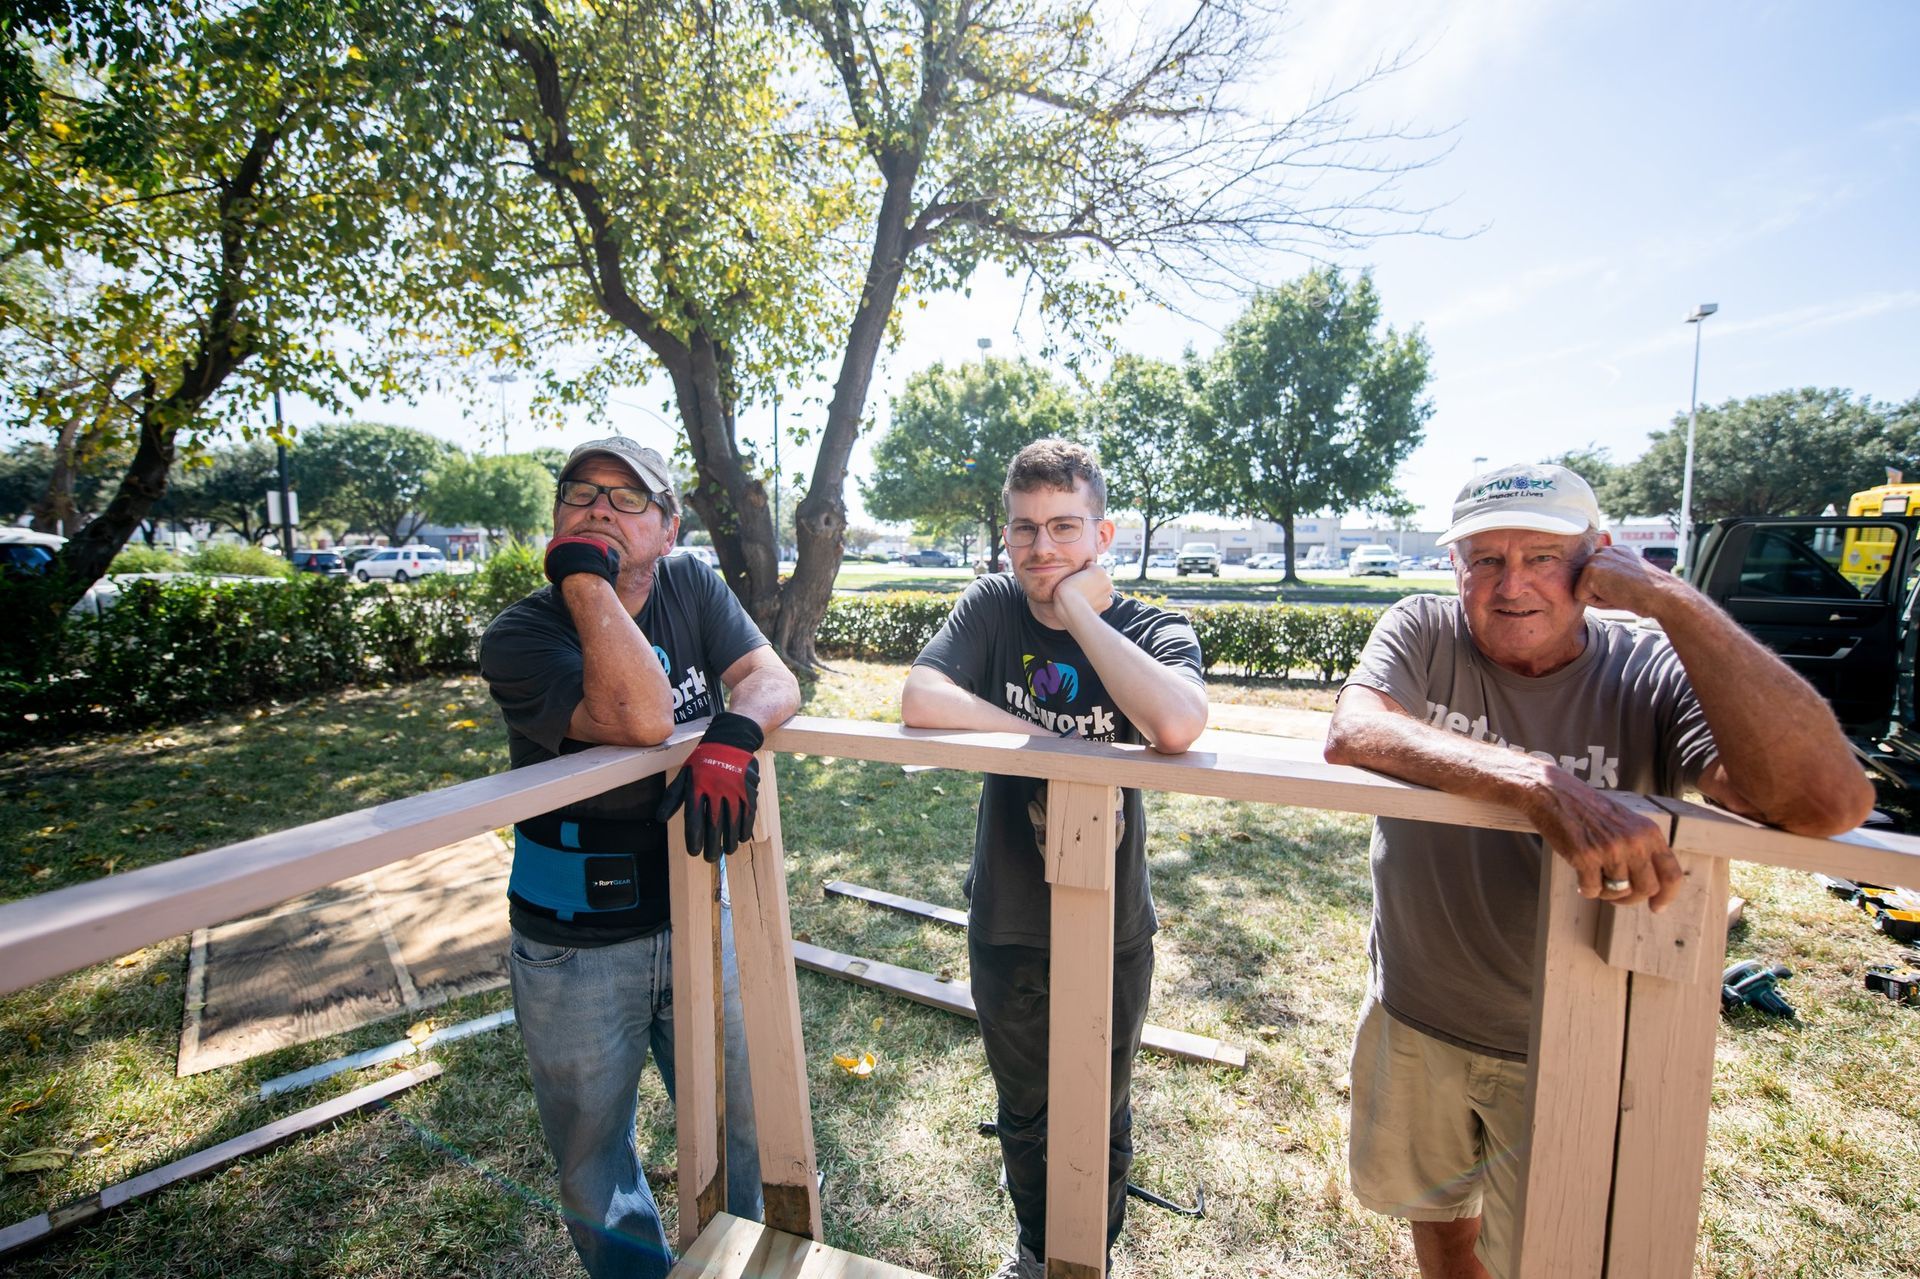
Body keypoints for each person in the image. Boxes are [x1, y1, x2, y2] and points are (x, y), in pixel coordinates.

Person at [1323, 463, 1873, 1279]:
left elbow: (1827, 801)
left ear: (1599, 560)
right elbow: (1355, 729)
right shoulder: (1426, 631)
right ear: (1455, 568)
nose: (1512, 585)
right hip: (1415, 1011)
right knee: (1438, 1218)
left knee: (1555, 1254)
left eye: (1543, 557)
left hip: (1574, 1040)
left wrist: (1672, 601)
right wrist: (1537, 782)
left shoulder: (1648, 667)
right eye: (1485, 559)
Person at [479, 436, 800, 1279]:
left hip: (699, 909)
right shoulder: (520, 633)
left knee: (740, 1119)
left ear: (669, 527)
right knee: (596, 1162)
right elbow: (642, 715)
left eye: (627, 500)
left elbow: (774, 678)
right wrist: (587, 578)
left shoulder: (692, 582)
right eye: (580, 493)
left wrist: (735, 732)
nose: (598, 508)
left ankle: (738, 1263)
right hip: (573, 943)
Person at [900, 439, 1209, 1278]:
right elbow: (920, 696)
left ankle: (1087, 1259)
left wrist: (1080, 614)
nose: (1042, 549)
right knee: (1024, 1104)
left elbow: (1177, 724)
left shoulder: (1149, 623)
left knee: (1100, 1104)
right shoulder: (992, 607)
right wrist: (1044, 743)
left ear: (1103, 534)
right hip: (1006, 911)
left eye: (1065, 528)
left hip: (1113, 920)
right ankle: (1037, 1249)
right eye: (1025, 530)